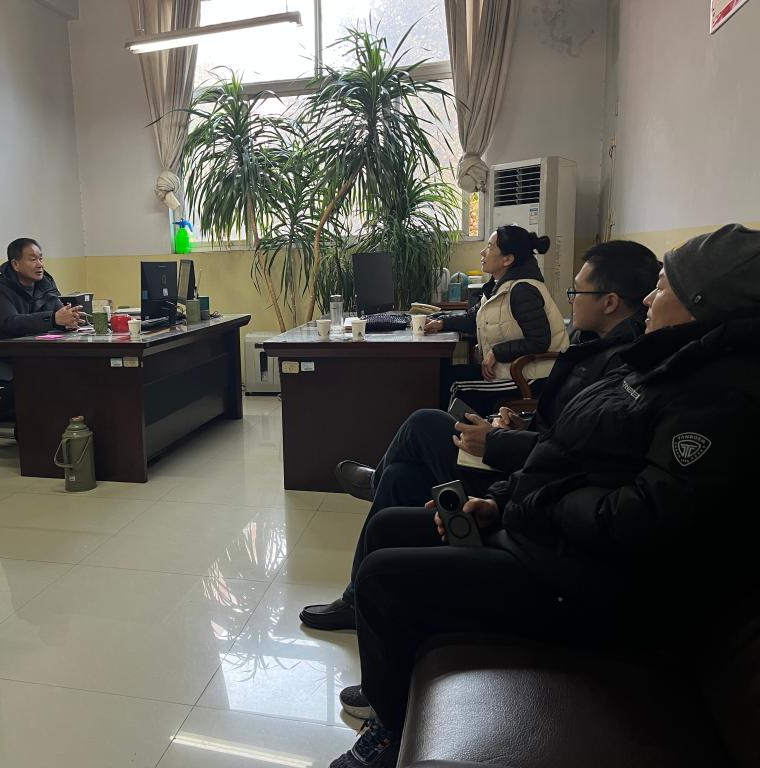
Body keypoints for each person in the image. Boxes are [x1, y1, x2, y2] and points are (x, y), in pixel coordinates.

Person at [328, 224, 760, 768]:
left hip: (581, 579)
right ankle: (390, 690)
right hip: (547, 535)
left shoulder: (719, 398)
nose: (650, 299)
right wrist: (500, 502)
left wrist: (531, 502)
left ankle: (389, 734)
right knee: (392, 518)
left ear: (702, 301)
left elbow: (642, 517)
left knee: (384, 573)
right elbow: (566, 452)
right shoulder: (663, 363)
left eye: (663, 288)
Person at [300, 240, 660, 632]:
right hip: (524, 460)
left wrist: (496, 442)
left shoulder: (618, 367)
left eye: (577, 292)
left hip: (520, 482)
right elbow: (568, 431)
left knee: (425, 422)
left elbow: (575, 455)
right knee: (401, 477)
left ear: (610, 302)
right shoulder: (594, 346)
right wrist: (522, 425)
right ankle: (361, 597)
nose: (570, 300)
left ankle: (373, 497)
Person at [428, 225, 569, 414]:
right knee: (441, 376)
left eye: (489, 247)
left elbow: (539, 341)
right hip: (508, 370)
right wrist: (441, 322)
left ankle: (454, 432)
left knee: (452, 383)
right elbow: (472, 318)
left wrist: (496, 352)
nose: (482, 252)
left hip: (530, 377)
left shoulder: (522, 290)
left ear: (508, 259)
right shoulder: (499, 287)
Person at [0, 238, 85, 440]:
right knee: (18, 388)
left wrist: (69, 320)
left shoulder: (46, 283)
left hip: (34, 355)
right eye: (33, 259)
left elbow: (58, 312)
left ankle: (37, 438)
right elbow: (10, 322)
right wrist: (53, 319)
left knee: (69, 379)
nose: (39, 264)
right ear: (16, 264)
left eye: (41, 258)